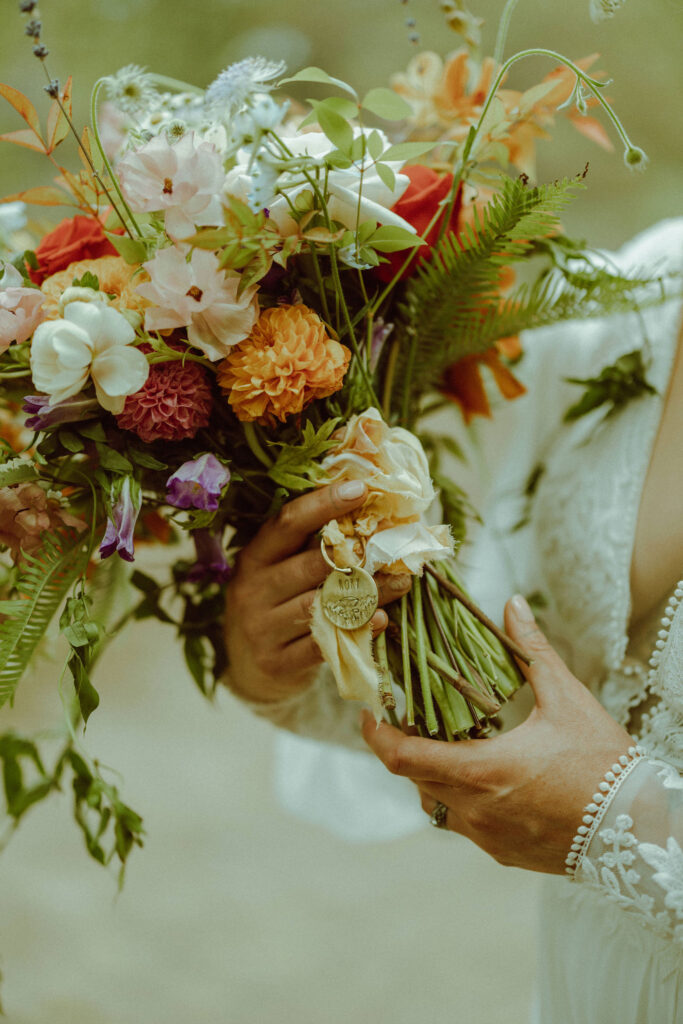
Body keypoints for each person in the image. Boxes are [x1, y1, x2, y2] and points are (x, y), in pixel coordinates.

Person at [223, 216, 683, 1023]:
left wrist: (620, 822)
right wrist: (290, 653)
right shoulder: (649, 287)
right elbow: (506, 679)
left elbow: (595, 787)